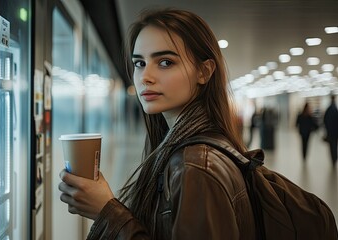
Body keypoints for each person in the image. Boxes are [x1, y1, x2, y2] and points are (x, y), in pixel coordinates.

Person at [58, 8, 256, 239]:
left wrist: (106, 213)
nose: (145, 77)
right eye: (139, 63)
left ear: (204, 71)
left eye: (165, 62)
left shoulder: (197, 167)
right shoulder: (191, 149)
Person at [323, 95, 338, 167]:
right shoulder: (334, 108)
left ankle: (334, 158)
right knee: (334, 146)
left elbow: (325, 120)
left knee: (332, 146)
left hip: (331, 132)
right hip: (334, 132)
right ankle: (334, 158)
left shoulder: (329, 109)